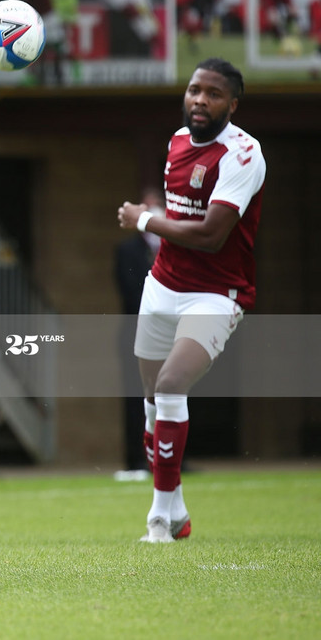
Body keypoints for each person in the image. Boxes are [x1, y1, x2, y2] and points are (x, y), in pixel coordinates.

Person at [117, 58, 264, 544]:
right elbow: (181, 222)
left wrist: (144, 220)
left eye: (214, 94)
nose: (200, 100)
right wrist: (156, 221)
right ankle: (176, 507)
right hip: (162, 286)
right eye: (195, 89)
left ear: (232, 104)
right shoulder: (177, 142)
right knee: (150, 402)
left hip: (216, 294)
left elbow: (210, 235)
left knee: (171, 384)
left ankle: (159, 519)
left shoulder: (243, 154)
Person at [114, 187, 163, 475]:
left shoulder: (174, 246)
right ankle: (137, 459)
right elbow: (130, 293)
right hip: (137, 332)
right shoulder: (127, 250)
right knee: (137, 399)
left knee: (171, 394)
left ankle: (173, 459)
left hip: (170, 333)